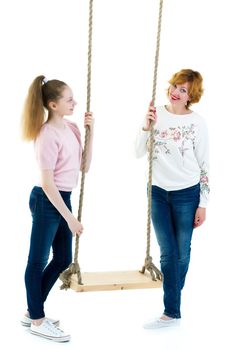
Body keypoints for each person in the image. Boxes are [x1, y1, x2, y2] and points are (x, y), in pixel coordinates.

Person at [21, 75, 94, 341]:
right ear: (53, 105)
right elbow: (47, 184)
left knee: (63, 258)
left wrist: (91, 131)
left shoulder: (72, 128)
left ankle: (33, 311)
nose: (74, 103)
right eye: (69, 99)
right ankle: (38, 320)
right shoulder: (46, 135)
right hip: (47, 200)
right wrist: (71, 219)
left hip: (63, 198)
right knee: (37, 261)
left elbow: (84, 167)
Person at [134, 69, 209, 329]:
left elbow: (204, 165)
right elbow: (136, 152)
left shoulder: (197, 123)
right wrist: (145, 126)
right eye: (175, 86)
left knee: (182, 253)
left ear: (191, 96)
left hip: (187, 193)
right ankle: (171, 312)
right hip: (157, 191)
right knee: (168, 253)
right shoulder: (157, 114)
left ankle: (172, 297)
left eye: (183, 90)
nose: (175, 93)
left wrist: (203, 204)